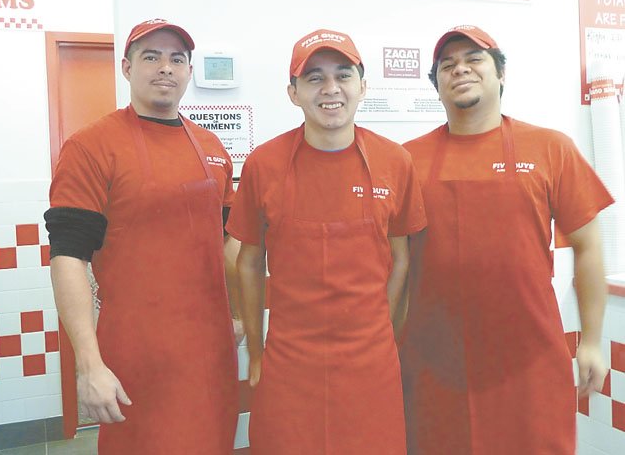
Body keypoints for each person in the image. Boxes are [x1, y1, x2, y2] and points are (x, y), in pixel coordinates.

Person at [398, 25, 614, 455]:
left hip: (529, 361)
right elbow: (392, 265)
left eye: (474, 60)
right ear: (436, 85)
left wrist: (591, 341)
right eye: (447, 65)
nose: (460, 70)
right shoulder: (406, 160)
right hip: (433, 363)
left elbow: (589, 246)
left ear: (501, 75)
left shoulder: (551, 148)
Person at [44, 19, 239, 454]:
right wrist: (88, 363)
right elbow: (68, 257)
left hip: (210, 351)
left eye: (177, 59)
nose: (165, 68)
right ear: (127, 68)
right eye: (151, 56)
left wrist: (242, 315)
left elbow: (229, 242)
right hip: (137, 353)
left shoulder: (211, 148)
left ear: (189, 71)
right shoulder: (91, 147)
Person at [227, 29, 426, 454]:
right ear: (293, 92)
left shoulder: (396, 162)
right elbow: (247, 261)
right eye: (314, 77)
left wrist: (383, 339)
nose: (330, 89)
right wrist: (258, 354)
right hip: (289, 362)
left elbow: (402, 259)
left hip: (370, 363)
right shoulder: (265, 163)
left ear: (363, 86)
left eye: (343, 75)